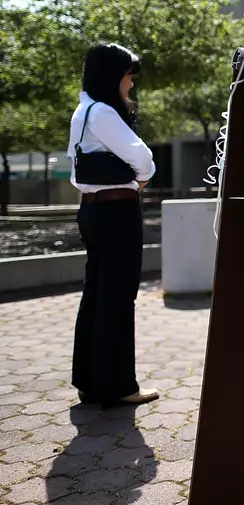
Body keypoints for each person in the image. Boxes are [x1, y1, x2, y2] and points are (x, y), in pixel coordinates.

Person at [68, 43, 159, 408]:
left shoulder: (84, 110)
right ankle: (119, 385)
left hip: (92, 211)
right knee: (119, 298)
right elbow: (143, 158)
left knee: (96, 296)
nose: (131, 84)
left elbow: (78, 170)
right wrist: (141, 179)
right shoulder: (104, 112)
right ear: (113, 76)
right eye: (127, 75)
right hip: (117, 213)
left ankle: (90, 380)